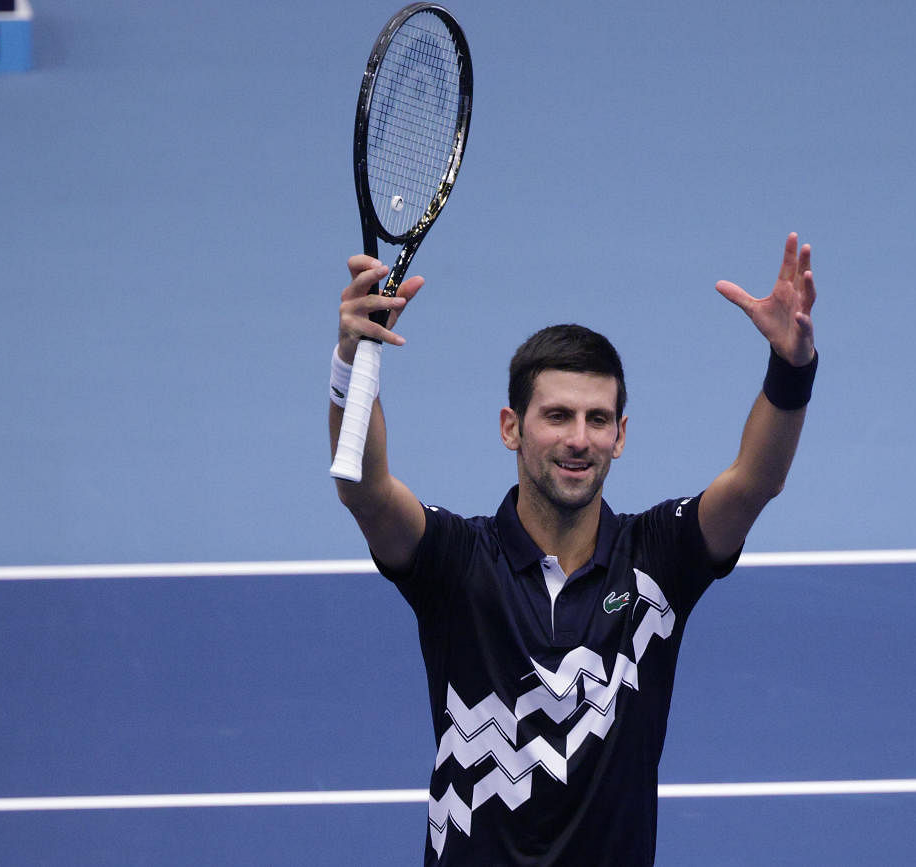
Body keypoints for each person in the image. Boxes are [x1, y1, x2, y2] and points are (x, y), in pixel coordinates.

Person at [328, 233, 817, 865]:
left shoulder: (658, 559)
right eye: (557, 416)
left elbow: (756, 482)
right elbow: (364, 489)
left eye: (597, 419)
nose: (578, 439)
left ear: (620, 435)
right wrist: (352, 362)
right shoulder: (458, 562)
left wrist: (791, 368)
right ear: (512, 428)